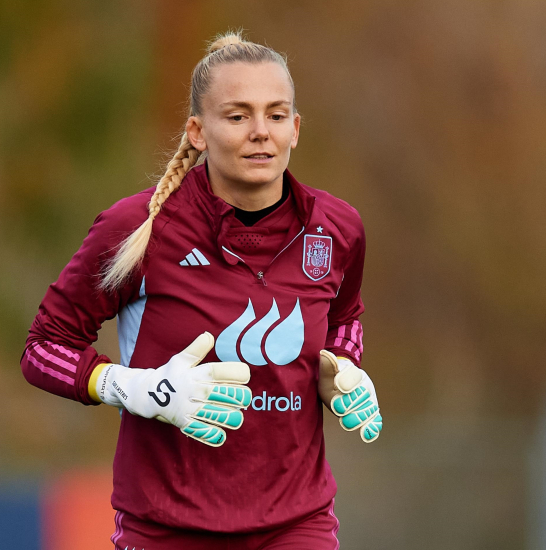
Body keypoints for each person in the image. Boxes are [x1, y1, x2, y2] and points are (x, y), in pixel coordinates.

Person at [21, 31, 383, 550]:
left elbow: (345, 318)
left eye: (276, 115)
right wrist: (136, 389)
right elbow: (42, 349)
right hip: (166, 528)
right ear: (197, 131)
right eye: (237, 117)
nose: (261, 132)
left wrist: (340, 369)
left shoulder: (338, 228)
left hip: (295, 525)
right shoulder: (138, 227)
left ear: (296, 129)